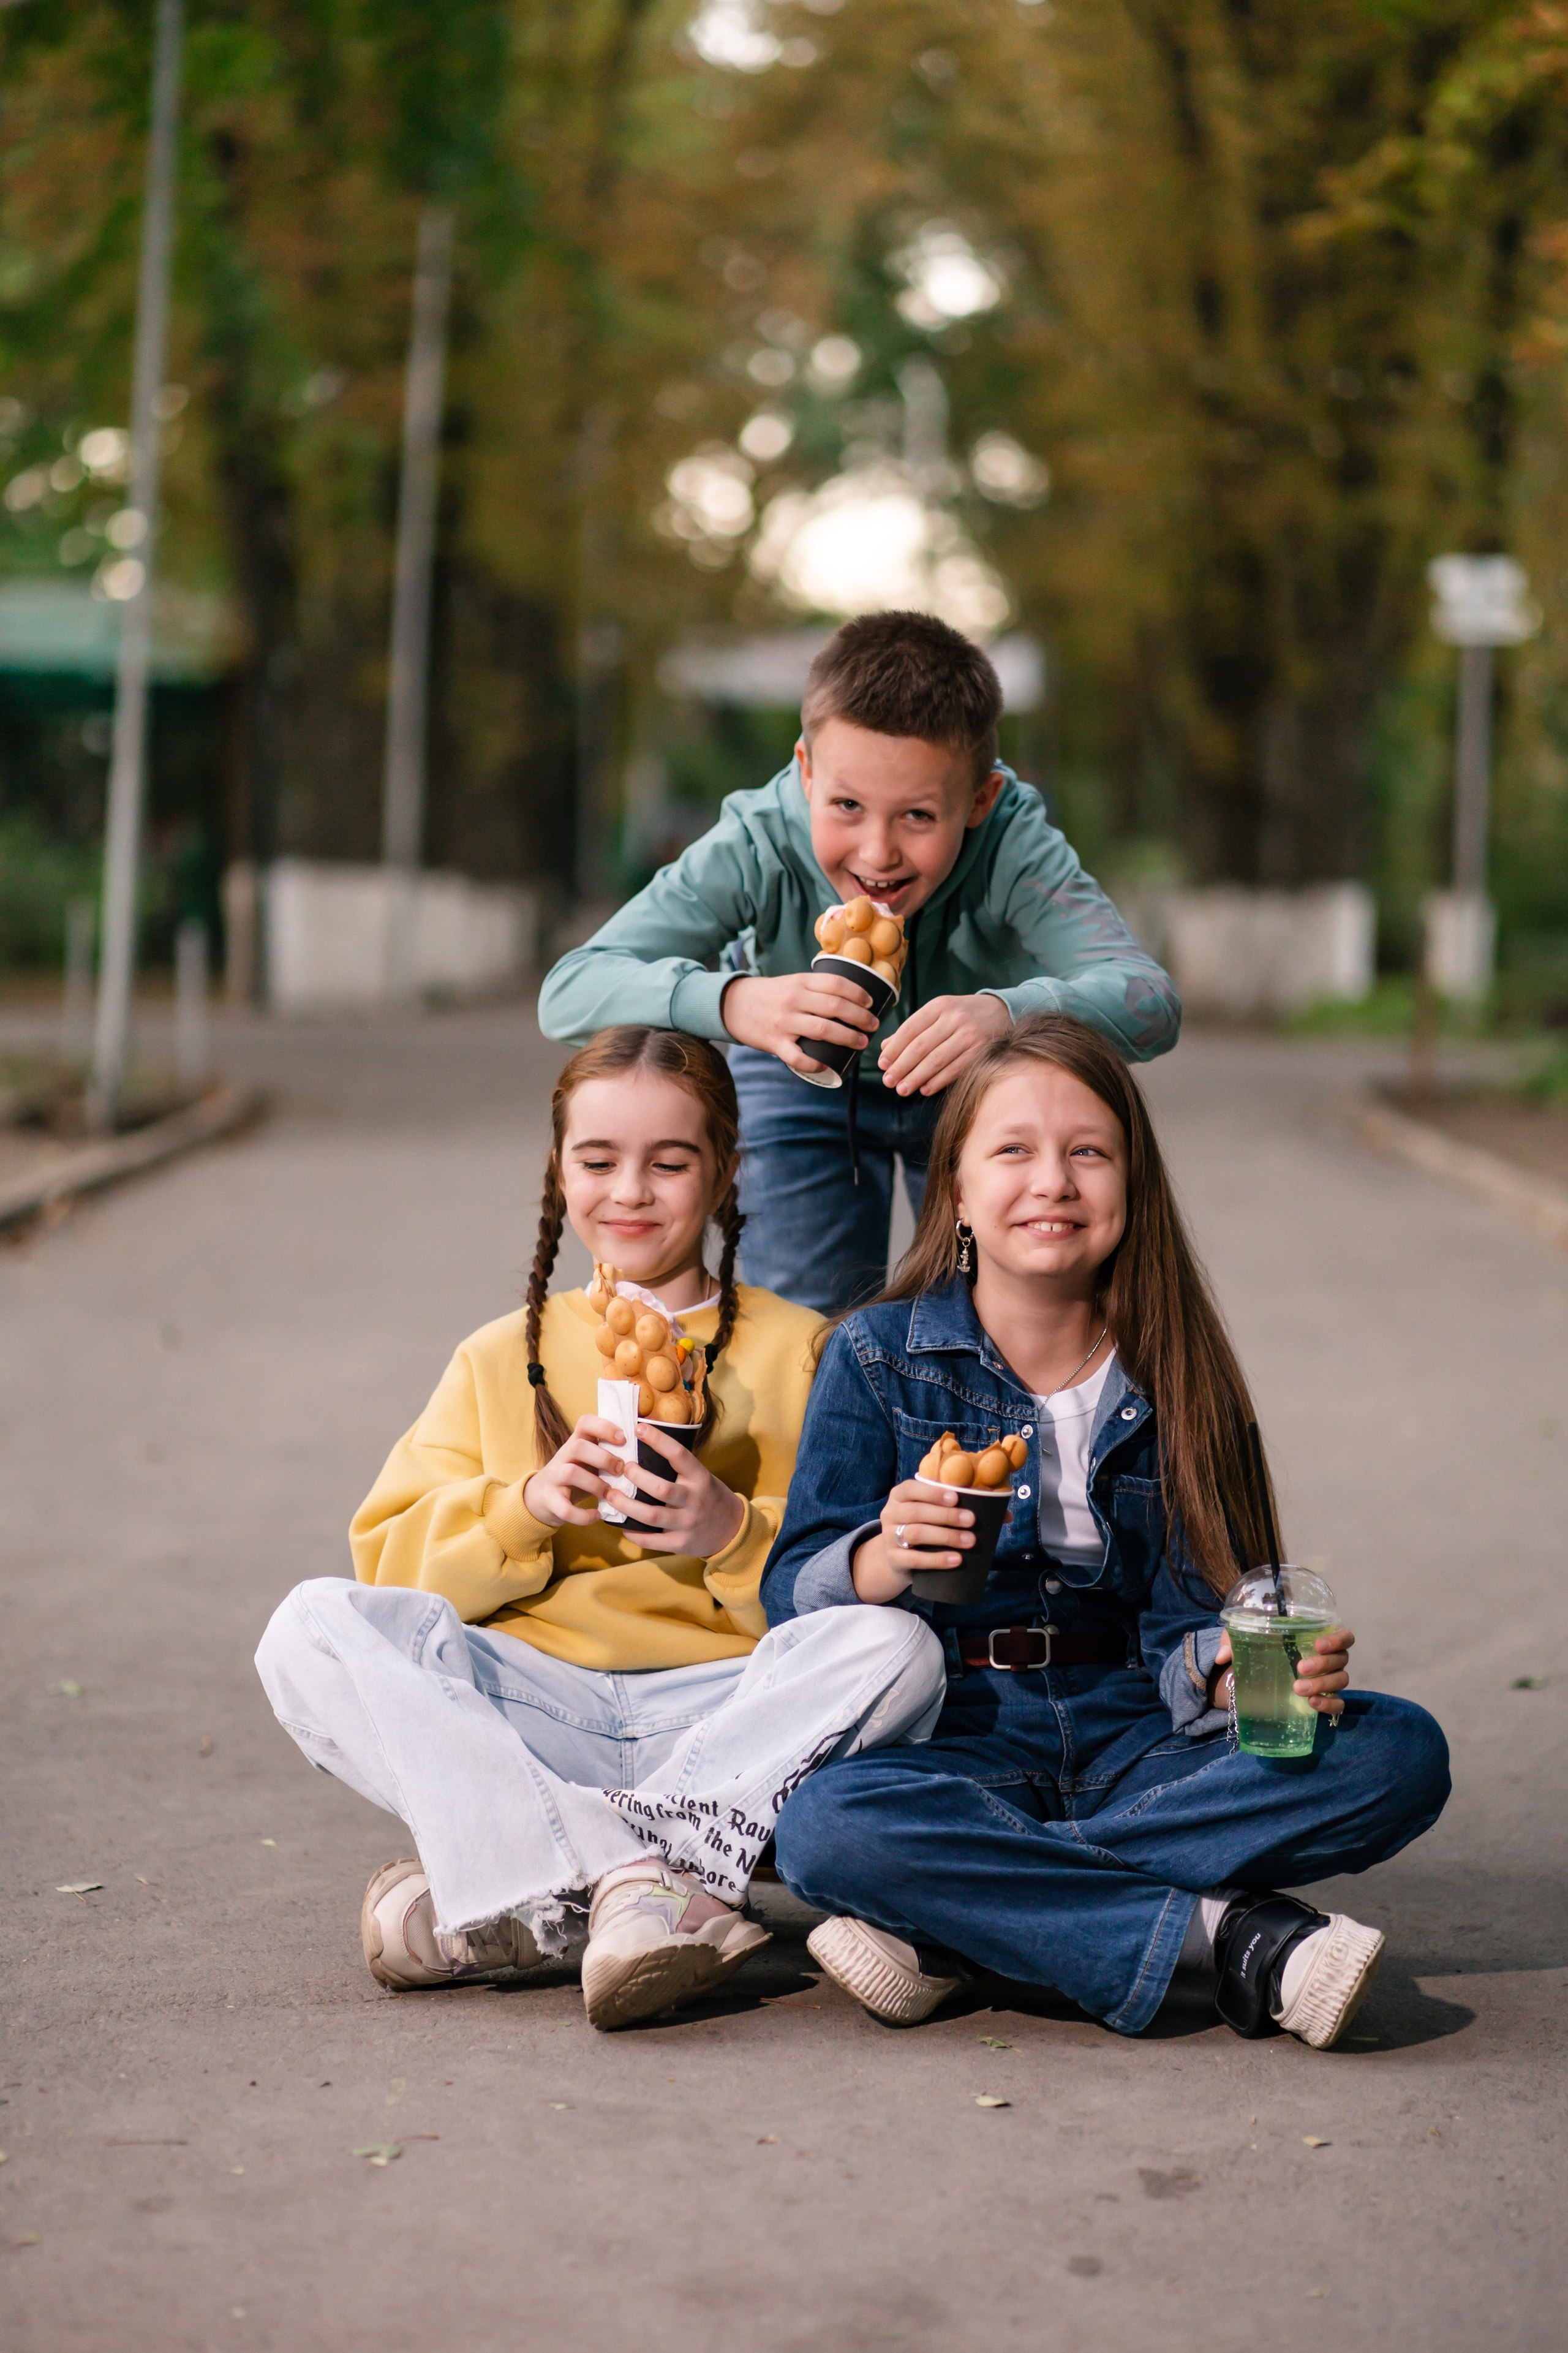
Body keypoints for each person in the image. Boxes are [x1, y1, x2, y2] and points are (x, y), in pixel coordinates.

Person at [760, 1013, 1450, 2049]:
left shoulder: (1181, 1372)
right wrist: (880, 1556)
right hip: (953, 1735)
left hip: (1141, 1740)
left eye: (1088, 1151)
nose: (1054, 1180)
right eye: (1014, 1150)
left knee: (1399, 1752)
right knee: (827, 1826)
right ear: (954, 1188)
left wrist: (1228, 1668)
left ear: (1132, 1187)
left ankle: (963, 1922)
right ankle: (1238, 1936)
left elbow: (1188, 1618)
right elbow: (786, 1596)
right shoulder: (874, 1355)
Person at [255, 1027, 944, 2031]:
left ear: (725, 1173)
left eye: (670, 1162)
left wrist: (729, 1529)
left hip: (724, 1719)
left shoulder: (806, 1348)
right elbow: (393, 1566)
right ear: (558, 1172)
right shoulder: (499, 1355)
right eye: (598, 1160)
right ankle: (638, 1880)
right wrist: (524, 1507)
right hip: (542, 1711)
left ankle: (527, 1888)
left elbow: (851, 1573)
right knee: (308, 1628)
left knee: (900, 1645)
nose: (631, 1190)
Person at [538, 610, 1180, 1315]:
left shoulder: (1013, 842)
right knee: (805, 1328)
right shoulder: (759, 839)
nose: (877, 854)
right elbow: (571, 990)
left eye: (917, 817)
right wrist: (737, 1003)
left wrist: (1005, 1012)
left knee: (987, 1320)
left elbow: (1148, 1000)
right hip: (798, 1083)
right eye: (846, 805)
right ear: (807, 772)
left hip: (966, 1082)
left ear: (978, 799)